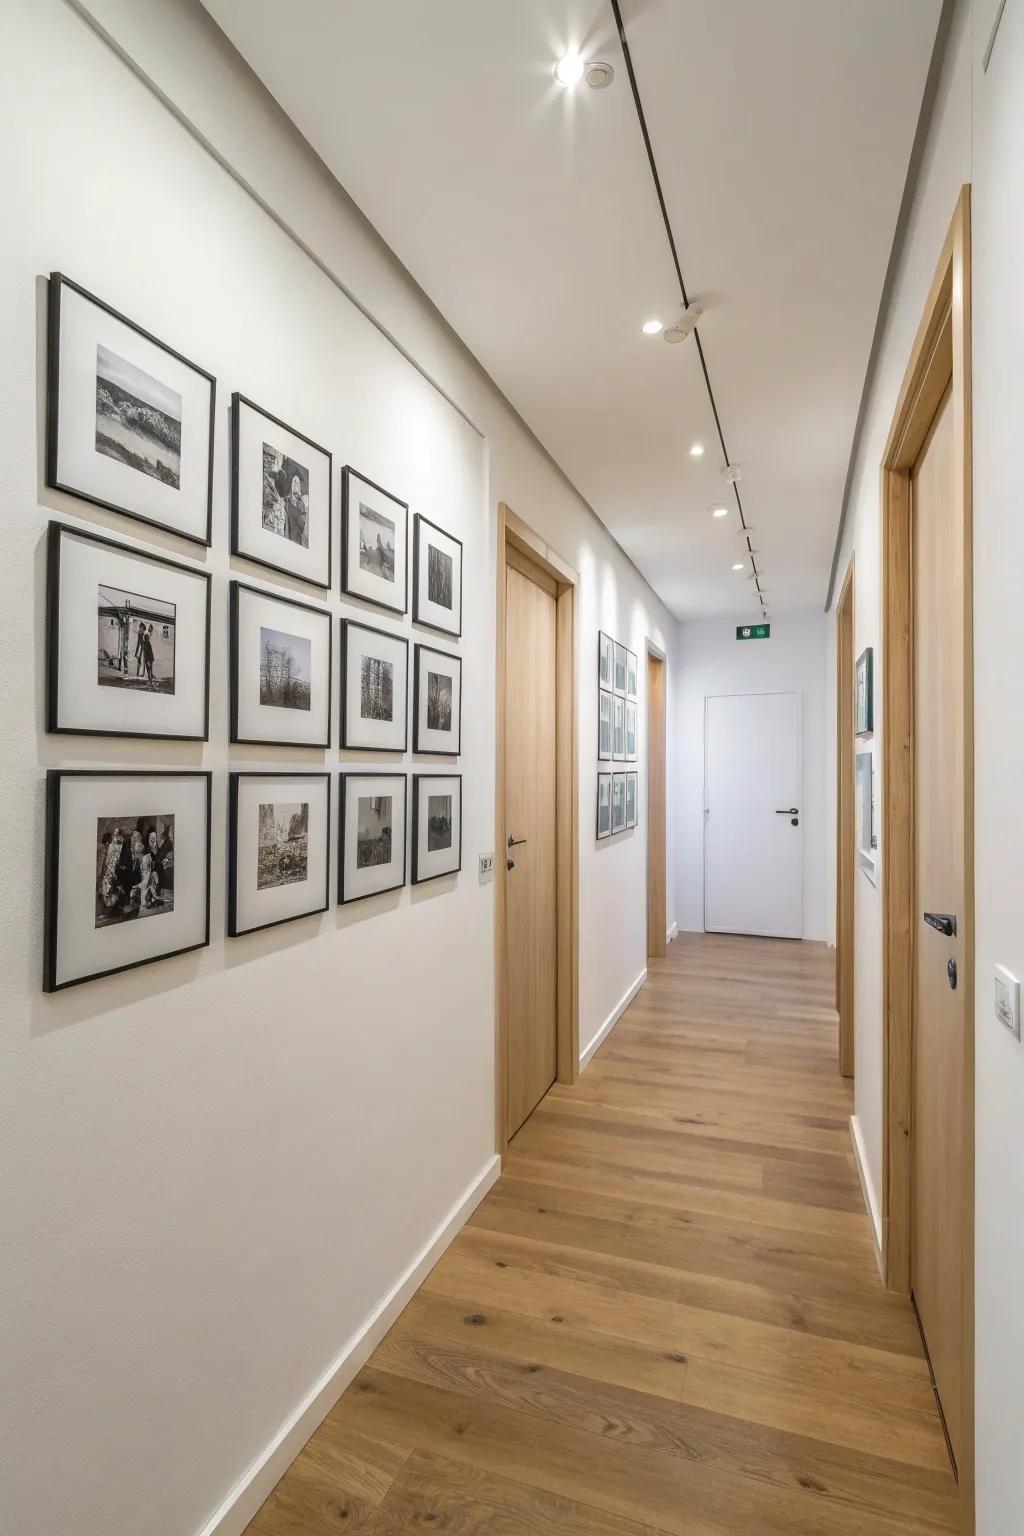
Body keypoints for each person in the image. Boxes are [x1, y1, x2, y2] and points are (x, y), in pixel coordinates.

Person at [284, 470, 308, 547]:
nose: (295, 485)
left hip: (299, 538)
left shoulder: (302, 503)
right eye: (294, 482)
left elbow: (304, 522)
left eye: (297, 483)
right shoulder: (286, 501)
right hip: (288, 534)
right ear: (291, 484)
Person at [141, 625, 156, 690]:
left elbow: (148, 650)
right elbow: (147, 651)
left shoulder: (147, 642)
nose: (151, 630)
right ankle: (151, 683)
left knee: (150, 670)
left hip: (149, 658)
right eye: (151, 629)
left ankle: (151, 682)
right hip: (148, 658)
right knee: (149, 670)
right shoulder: (146, 642)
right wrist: (147, 660)